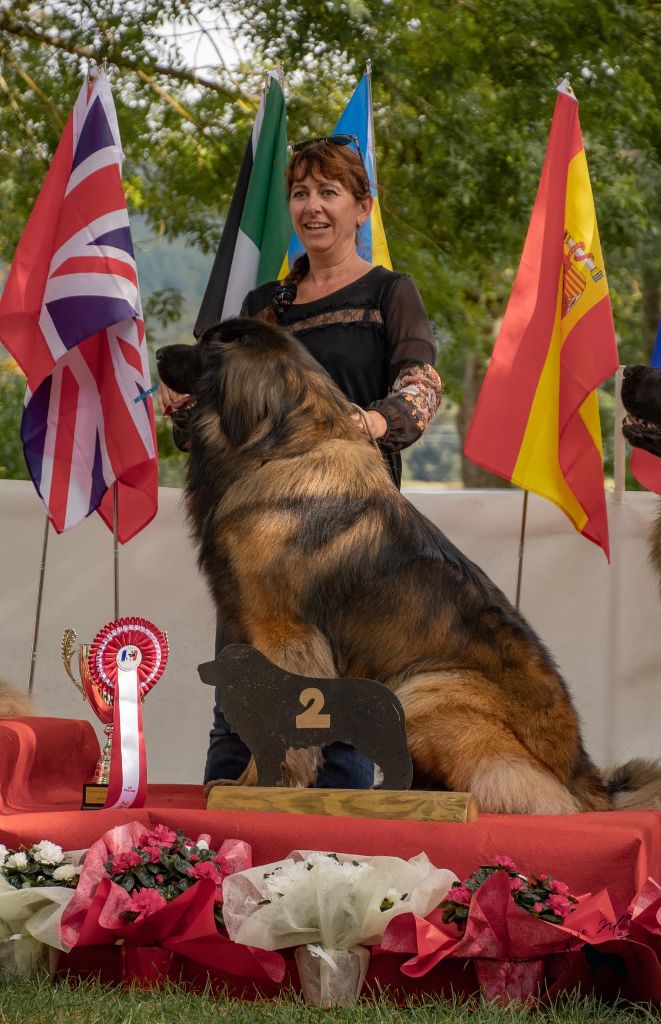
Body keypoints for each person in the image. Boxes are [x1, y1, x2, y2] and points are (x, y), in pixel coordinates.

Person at [159, 134, 443, 788]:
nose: (312, 206)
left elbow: (422, 386)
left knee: (340, 714)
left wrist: (370, 421)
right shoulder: (265, 305)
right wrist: (186, 399)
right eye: (300, 192)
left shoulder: (389, 292)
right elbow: (215, 422)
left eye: (329, 192)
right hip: (257, 539)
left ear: (362, 208)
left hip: (349, 539)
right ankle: (217, 848)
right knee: (241, 709)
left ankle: (336, 847)